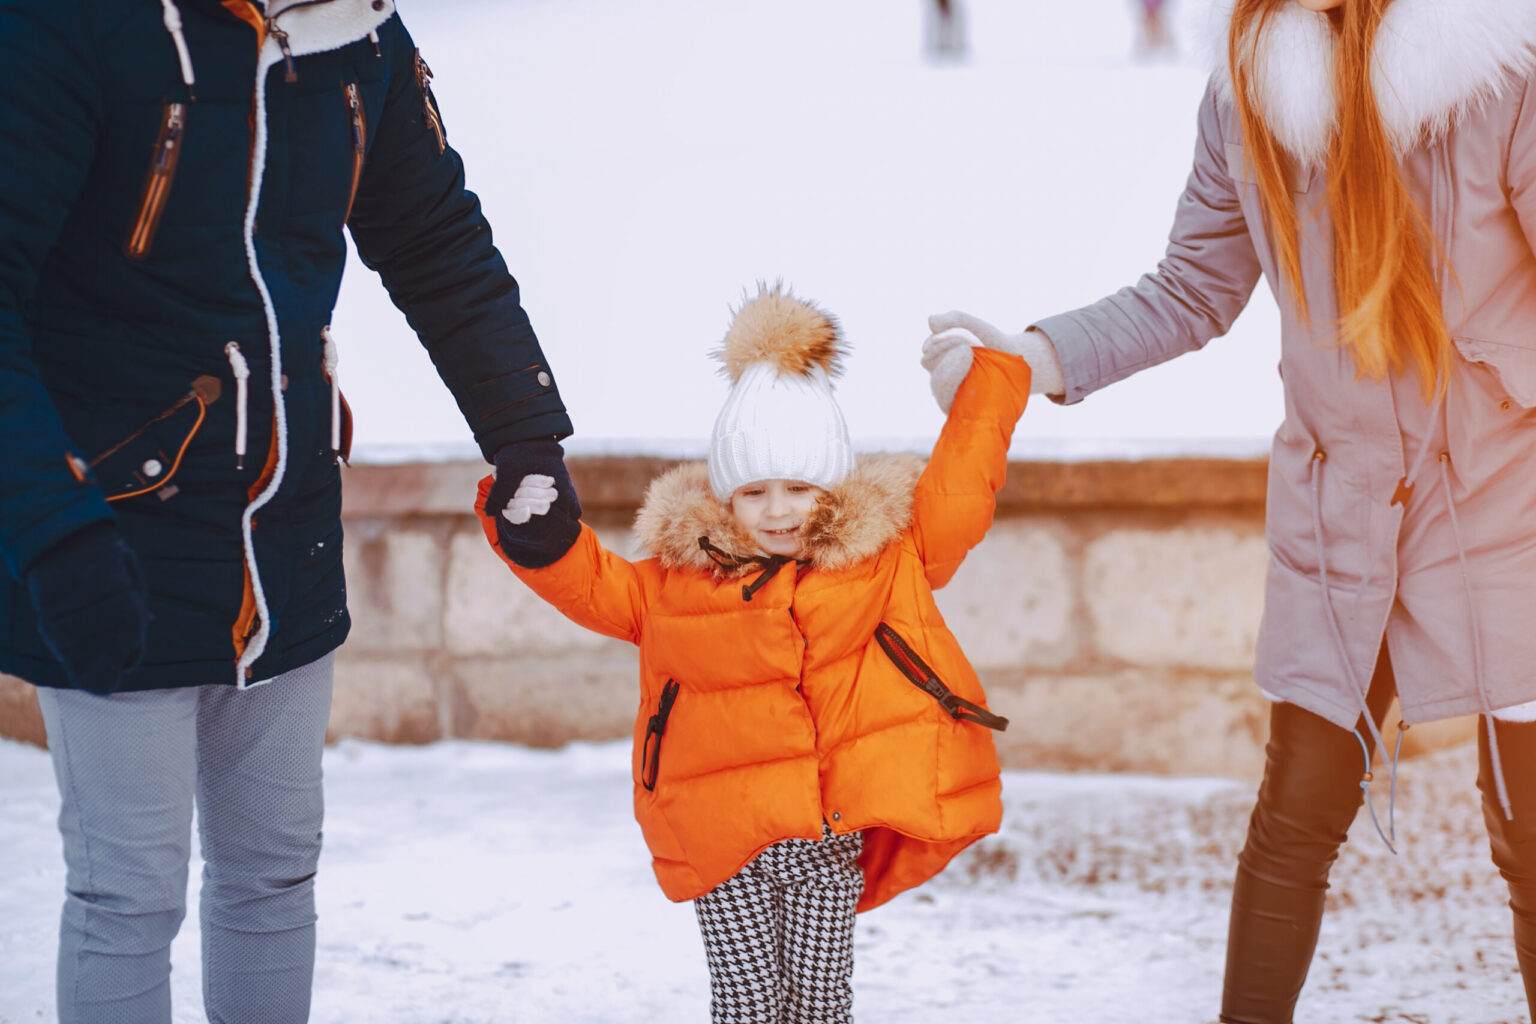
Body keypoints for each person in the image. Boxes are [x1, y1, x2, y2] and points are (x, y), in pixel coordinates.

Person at [923, 0, 1536, 1019]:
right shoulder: (1252, 86)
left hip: (1504, 509)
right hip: (1340, 516)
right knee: (1293, 821)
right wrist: (1032, 357)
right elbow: (1192, 287)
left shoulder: (1501, 76)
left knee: (1533, 835)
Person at [0, 1, 576, 1021]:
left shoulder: (358, 33)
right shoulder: (73, 24)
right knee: (127, 891)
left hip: (285, 521)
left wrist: (523, 428)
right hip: (115, 536)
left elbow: (433, 234)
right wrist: (53, 528)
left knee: (274, 874)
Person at [476, 284, 1022, 1023]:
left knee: (821, 1003)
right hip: (720, 835)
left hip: (822, 839)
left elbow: (960, 493)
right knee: (745, 1005)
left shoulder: (883, 562)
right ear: (725, 498)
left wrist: (985, 387)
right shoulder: (679, 581)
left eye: (799, 487)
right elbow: (595, 586)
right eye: (754, 491)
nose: (777, 510)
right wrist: (539, 536)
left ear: (828, 489)